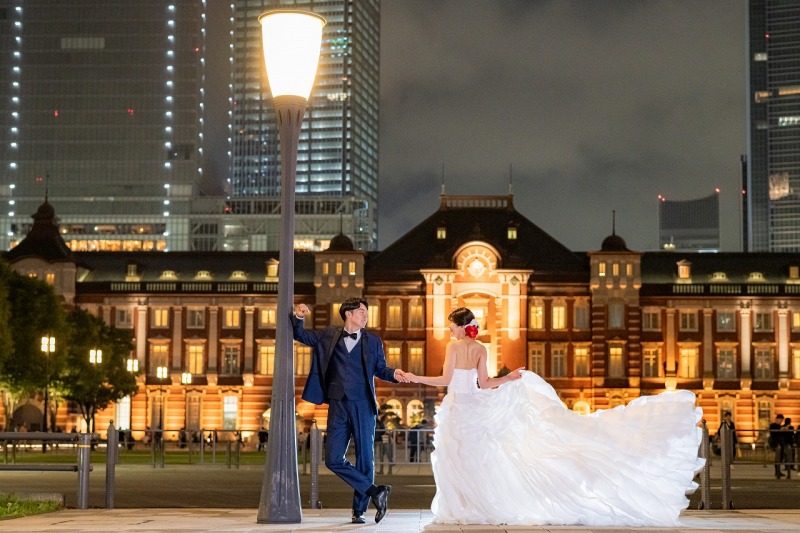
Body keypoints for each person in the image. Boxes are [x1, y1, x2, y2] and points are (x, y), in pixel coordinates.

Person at [405, 307, 704, 527]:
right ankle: (470, 506)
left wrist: (414, 376)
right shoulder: (481, 348)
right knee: (476, 458)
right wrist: (509, 379)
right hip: (474, 406)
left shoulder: (453, 347)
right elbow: (484, 384)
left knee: (458, 460)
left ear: (459, 328)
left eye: (452, 327)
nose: (451, 332)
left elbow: (445, 380)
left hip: (458, 409)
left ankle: (464, 506)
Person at [292, 298, 410, 524]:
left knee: (365, 459)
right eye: (362, 312)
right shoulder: (328, 335)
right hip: (337, 403)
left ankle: (359, 511)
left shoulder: (373, 341)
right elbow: (300, 335)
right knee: (333, 459)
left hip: (363, 404)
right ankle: (376, 491)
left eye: (367, 312)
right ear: (348, 314)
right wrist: (299, 316)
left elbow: (381, 369)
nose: (366, 316)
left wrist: (394, 373)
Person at [770, 414, 785, 478]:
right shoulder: (773, 425)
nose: (781, 421)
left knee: (781, 457)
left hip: (781, 443)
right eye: (781, 420)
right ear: (777, 419)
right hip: (776, 443)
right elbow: (774, 433)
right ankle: (777, 471)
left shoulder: (779, 426)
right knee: (777, 458)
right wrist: (781, 429)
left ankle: (778, 471)